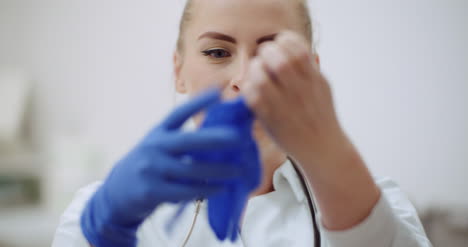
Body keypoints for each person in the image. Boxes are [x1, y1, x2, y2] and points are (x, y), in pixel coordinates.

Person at [52, 0, 432, 246]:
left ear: (311, 76)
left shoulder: (374, 204)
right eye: (217, 52)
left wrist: (332, 156)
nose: (245, 78)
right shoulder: (97, 209)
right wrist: (103, 231)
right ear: (179, 71)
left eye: (270, 53)